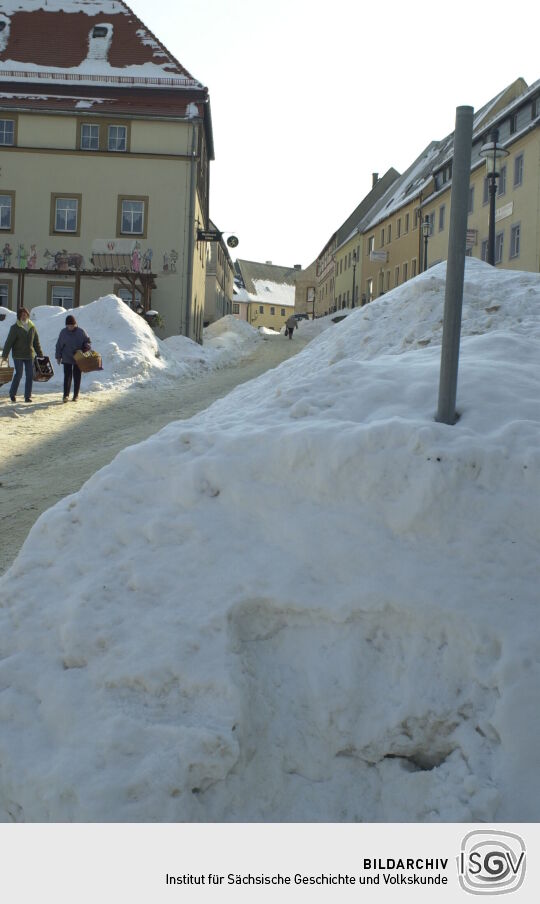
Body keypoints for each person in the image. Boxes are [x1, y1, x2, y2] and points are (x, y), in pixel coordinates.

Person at [1, 306, 43, 403]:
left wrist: (40, 353)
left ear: (28, 315)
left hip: (29, 355)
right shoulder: (15, 328)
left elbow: (36, 342)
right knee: (19, 374)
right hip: (18, 355)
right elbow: (9, 342)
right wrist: (5, 355)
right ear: (19, 316)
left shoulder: (32, 327)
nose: (24, 317)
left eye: (25, 315)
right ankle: (12, 394)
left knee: (29, 375)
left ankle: (27, 396)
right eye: (22, 315)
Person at [55, 314, 90, 402]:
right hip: (66, 356)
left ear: (75, 324)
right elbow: (59, 345)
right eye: (68, 325)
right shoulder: (63, 332)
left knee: (77, 376)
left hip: (78, 357)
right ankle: (66, 395)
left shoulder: (81, 332)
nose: (70, 327)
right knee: (67, 376)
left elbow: (87, 342)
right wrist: (58, 357)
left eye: (71, 325)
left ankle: (76, 395)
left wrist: (85, 348)